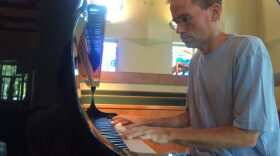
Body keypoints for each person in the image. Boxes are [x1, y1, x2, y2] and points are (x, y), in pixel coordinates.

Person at [112, 0, 280, 155]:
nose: (178, 29)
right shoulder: (195, 61)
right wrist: (144, 122)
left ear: (214, 12)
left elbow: (246, 136)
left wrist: (168, 134)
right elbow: (190, 117)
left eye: (185, 19)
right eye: (176, 22)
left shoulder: (248, 50)